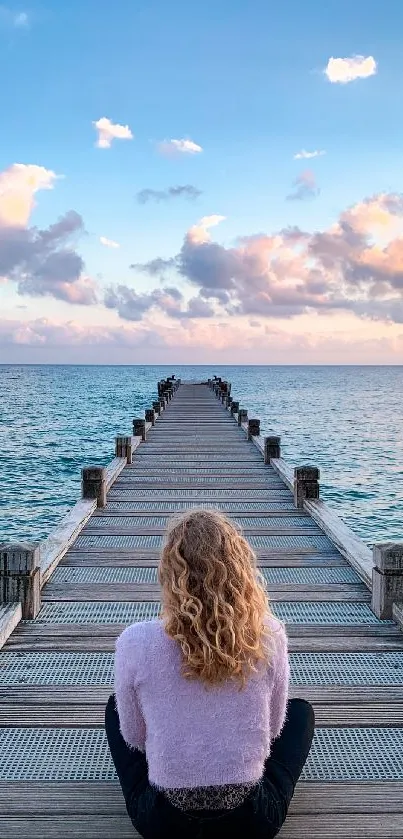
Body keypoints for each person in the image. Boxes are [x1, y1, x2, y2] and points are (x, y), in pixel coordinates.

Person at [105, 508, 314, 839]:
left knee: (114, 706)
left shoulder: (136, 641)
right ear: (240, 571)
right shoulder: (268, 634)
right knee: (301, 713)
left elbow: (134, 738)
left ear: (169, 575)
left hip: (163, 824)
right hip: (251, 822)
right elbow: (273, 731)